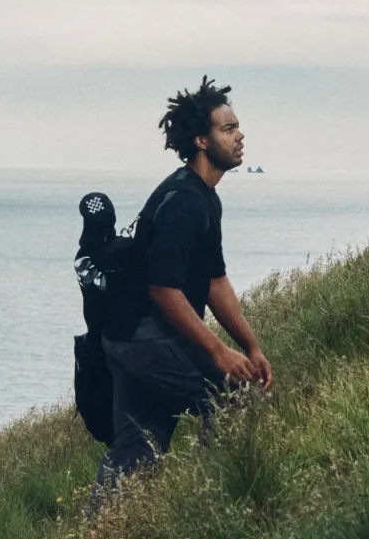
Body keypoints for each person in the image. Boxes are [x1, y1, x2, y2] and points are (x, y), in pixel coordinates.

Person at [90, 77, 273, 503]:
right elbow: (163, 290)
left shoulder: (203, 197)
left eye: (237, 126)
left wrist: (250, 346)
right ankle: (211, 504)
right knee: (231, 397)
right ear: (201, 140)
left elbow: (214, 281)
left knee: (137, 449)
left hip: (130, 335)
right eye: (228, 128)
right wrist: (219, 352)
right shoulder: (185, 202)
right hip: (141, 337)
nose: (240, 134)